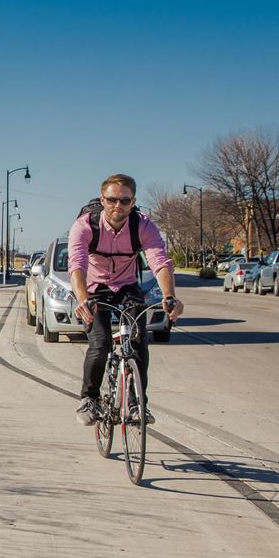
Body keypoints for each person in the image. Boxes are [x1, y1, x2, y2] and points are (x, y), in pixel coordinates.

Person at [69, 174, 184, 426]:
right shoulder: (85, 226)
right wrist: (83, 299)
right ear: (103, 200)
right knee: (100, 344)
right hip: (94, 288)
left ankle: (136, 403)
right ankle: (89, 398)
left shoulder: (143, 226)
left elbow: (159, 262)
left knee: (139, 340)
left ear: (133, 202)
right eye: (112, 200)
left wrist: (169, 296)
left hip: (127, 285)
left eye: (124, 201)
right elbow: (77, 266)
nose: (117, 206)